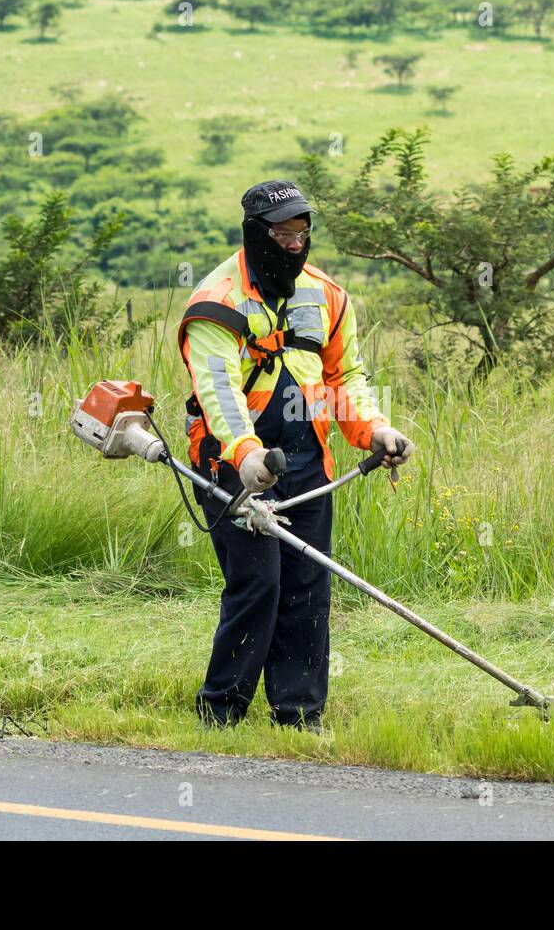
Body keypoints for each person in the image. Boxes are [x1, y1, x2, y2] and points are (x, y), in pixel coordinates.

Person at [177, 179, 414, 731]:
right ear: (257, 234)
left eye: (302, 232)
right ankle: (221, 712)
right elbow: (219, 392)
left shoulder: (326, 294)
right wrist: (245, 455)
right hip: (230, 465)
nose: (294, 243)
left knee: (308, 590)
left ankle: (299, 715)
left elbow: (344, 375)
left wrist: (374, 430)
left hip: (309, 464)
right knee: (259, 586)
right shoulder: (216, 300)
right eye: (282, 233)